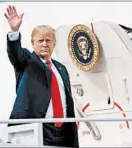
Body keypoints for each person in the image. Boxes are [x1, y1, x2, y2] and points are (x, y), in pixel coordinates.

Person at [4, 5, 79, 147]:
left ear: (54, 44)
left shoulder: (61, 69)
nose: (45, 44)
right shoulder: (26, 61)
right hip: (38, 127)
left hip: (64, 130)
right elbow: (15, 53)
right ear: (33, 43)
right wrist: (14, 31)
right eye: (40, 41)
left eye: (48, 40)